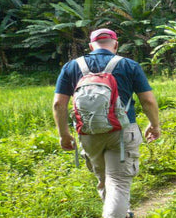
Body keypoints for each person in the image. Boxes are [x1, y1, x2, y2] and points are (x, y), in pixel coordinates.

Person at [52, 28, 161, 218]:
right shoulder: (129, 65)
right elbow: (148, 101)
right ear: (116, 44)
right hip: (122, 132)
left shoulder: (71, 67)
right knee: (117, 181)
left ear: (90, 45)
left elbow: (58, 104)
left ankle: (122, 213)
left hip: (88, 133)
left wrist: (64, 134)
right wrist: (155, 125)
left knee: (103, 180)